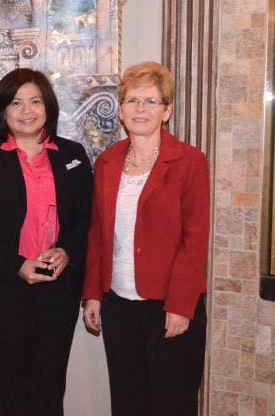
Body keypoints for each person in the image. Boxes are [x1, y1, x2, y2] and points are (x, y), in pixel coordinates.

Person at [0, 68, 93, 416]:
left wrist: (67, 252)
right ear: (2, 109)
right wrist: (17, 265)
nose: (27, 110)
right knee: (8, 387)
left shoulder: (73, 154)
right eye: (16, 103)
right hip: (3, 291)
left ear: (48, 106)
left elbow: (85, 220)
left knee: (50, 386)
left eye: (35, 101)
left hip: (58, 291)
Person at [82, 61, 209, 416]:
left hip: (169, 306)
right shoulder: (107, 162)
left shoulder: (189, 161)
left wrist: (180, 306)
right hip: (118, 304)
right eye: (132, 100)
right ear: (121, 110)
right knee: (128, 403)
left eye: (151, 101)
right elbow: (97, 233)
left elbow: (195, 240)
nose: (141, 109)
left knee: (172, 404)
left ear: (166, 111)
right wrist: (92, 294)